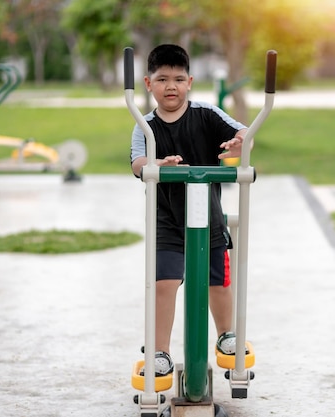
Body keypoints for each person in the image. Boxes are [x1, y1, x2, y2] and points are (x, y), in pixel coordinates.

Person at [130, 44, 248, 377]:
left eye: (179, 79)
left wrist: (240, 142)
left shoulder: (206, 114)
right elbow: (137, 162)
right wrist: (156, 164)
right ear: (148, 83)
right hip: (166, 221)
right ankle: (160, 352)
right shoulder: (145, 125)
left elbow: (242, 132)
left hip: (208, 217)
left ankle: (226, 333)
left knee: (218, 282)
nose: (171, 86)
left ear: (190, 82)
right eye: (162, 79)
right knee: (164, 283)